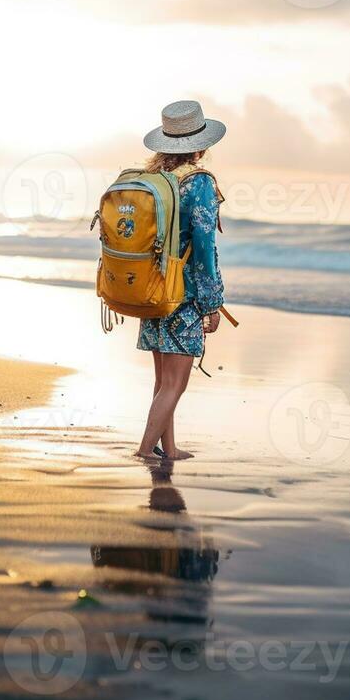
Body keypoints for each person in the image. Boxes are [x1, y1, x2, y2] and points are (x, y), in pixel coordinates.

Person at [134, 100, 226, 461]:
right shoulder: (198, 182)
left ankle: (168, 448)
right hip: (182, 295)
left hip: (151, 288)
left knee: (162, 382)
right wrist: (212, 302)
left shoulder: (154, 179)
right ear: (200, 143)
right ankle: (144, 451)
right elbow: (204, 245)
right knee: (174, 384)